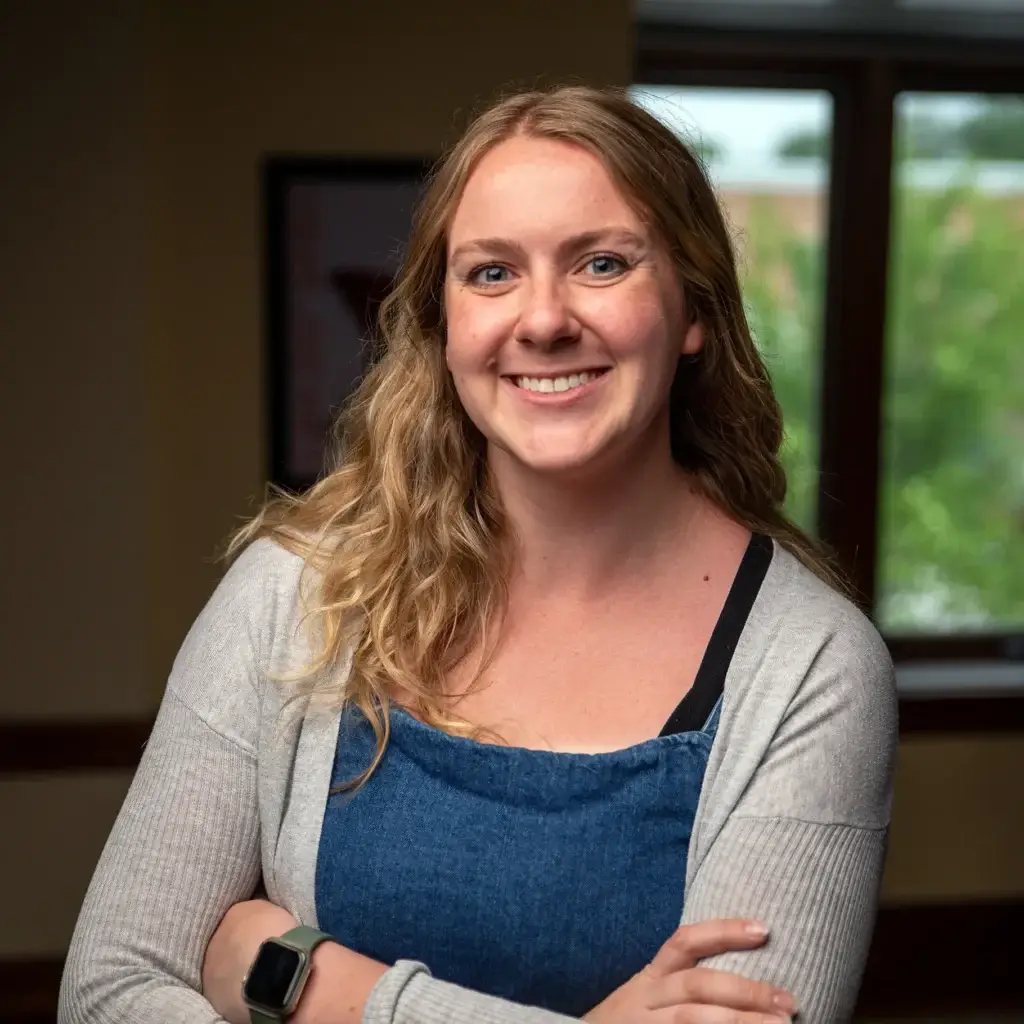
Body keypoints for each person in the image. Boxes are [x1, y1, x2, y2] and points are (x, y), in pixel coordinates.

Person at [59, 84, 897, 1024]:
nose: (542, 321)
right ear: (445, 324)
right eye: (492, 273)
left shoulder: (812, 668)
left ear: (693, 310)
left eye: (603, 264)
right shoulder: (295, 593)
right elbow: (109, 994)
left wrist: (318, 991)